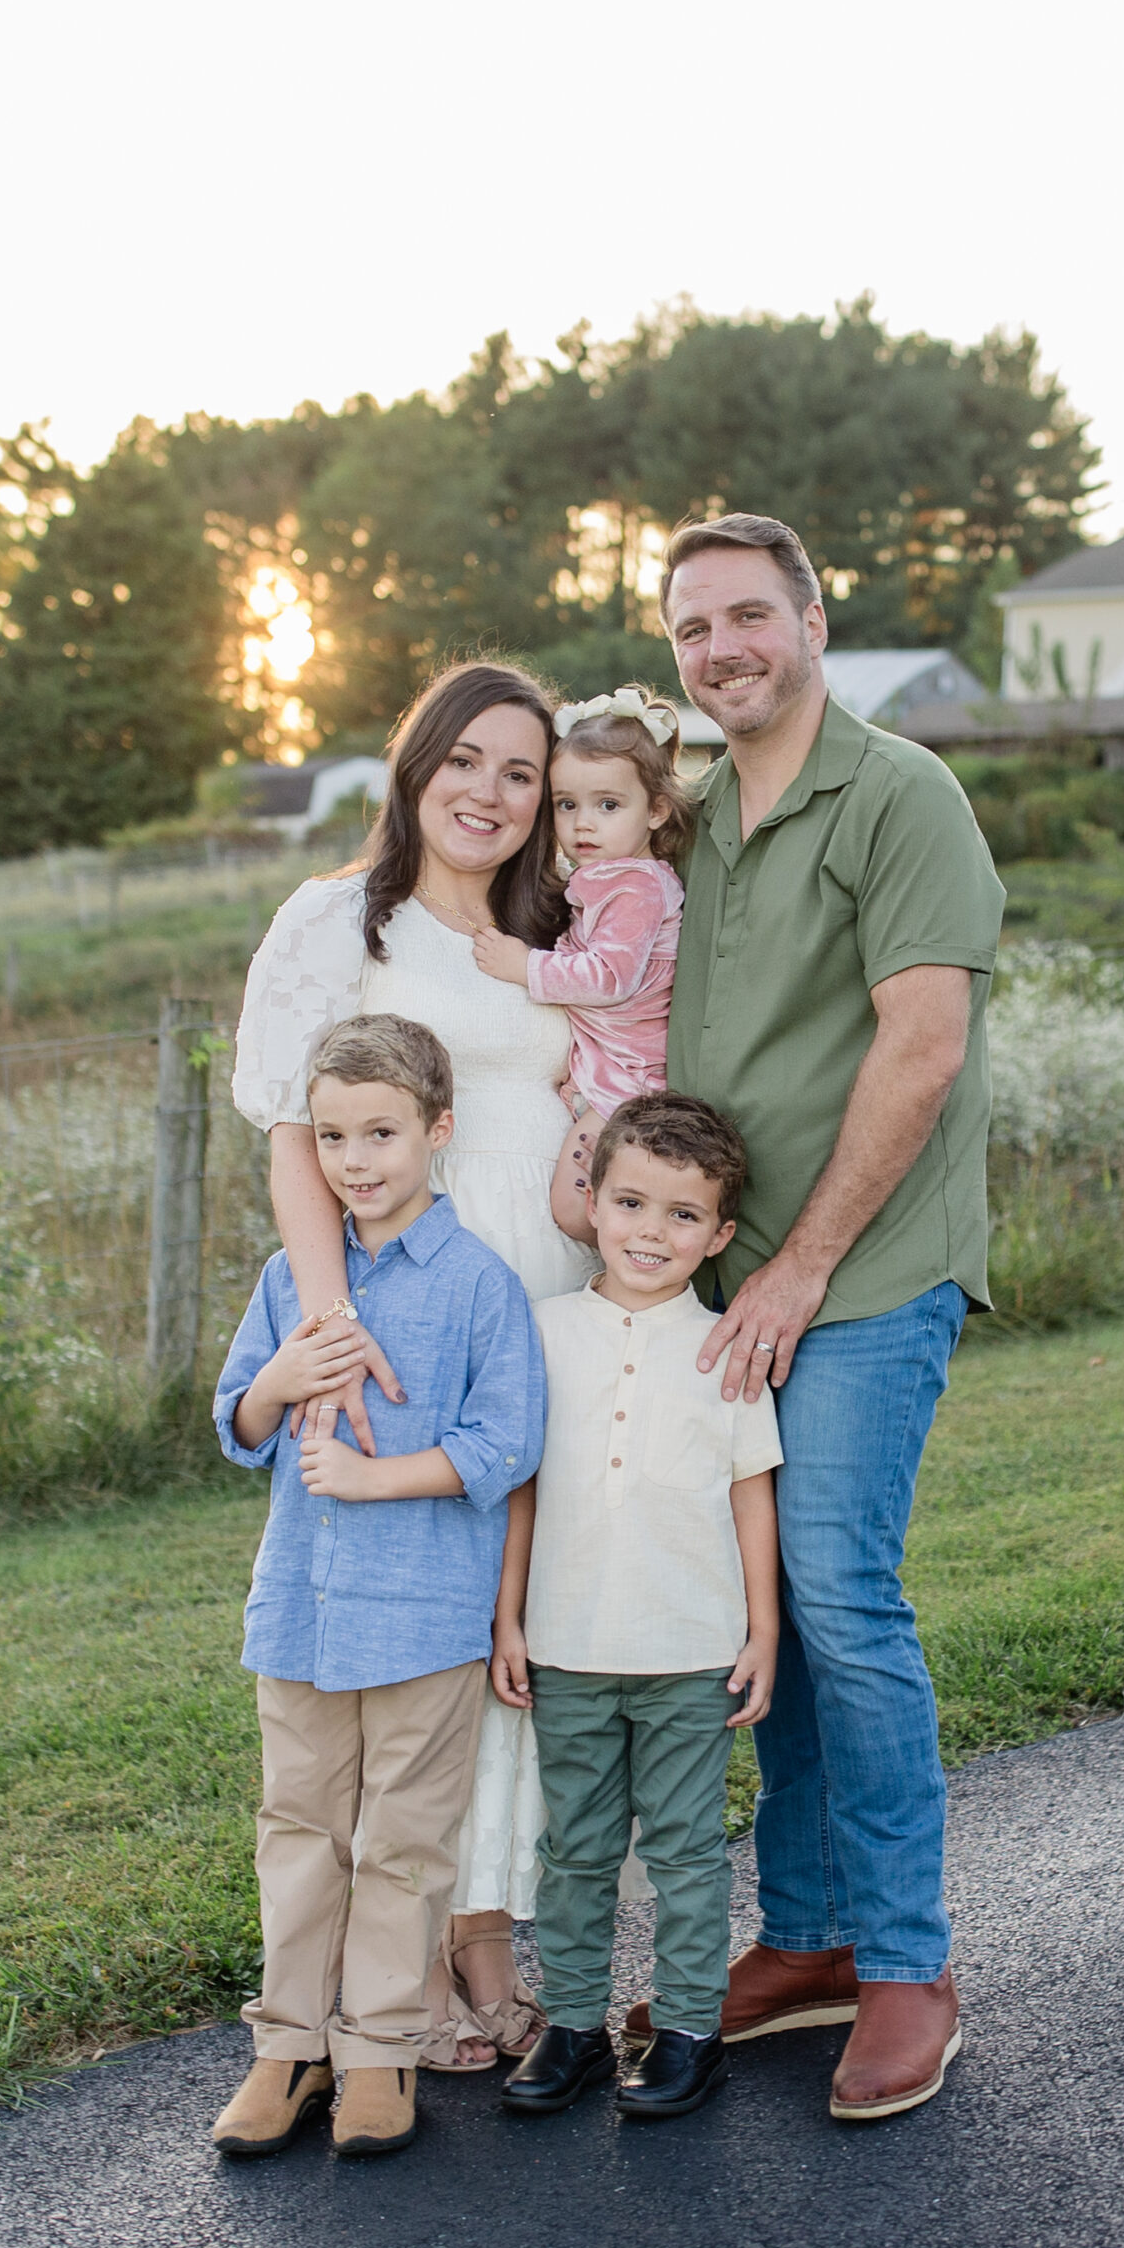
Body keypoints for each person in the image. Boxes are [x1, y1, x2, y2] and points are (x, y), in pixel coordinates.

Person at [629, 511, 1006, 2123]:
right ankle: (810, 1942)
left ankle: (908, 1964)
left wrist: (797, 1266)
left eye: (743, 617)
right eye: (689, 631)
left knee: (839, 1598)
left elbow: (917, 1049)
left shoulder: (900, 794)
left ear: (808, 619)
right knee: (752, 1625)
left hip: (862, 1275)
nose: (719, 650)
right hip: (727, 1290)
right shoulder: (695, 818)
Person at [231, 662, 594, 2071]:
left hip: (542, 1294)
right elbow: (289, 1131)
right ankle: (420, 1965)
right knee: (422, 1625)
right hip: (402, 1301)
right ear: (415, 764)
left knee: (523, 1627)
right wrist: (329, 1333)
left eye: (521, 772)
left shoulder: (545, 927)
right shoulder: (338, 922)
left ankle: (492, 1935)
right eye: (467, 761)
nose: (489, 794)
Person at [209, 1015, 544, 2159]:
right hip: (299, 1611)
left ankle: (379, 2052)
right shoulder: (290, 1280)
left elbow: (506, 1444)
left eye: (383, 1133)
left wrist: (373, 1474)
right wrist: (282, 1382)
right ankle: (288, 2046)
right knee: (299, 1825)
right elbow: (237, 1423)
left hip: (424, 1619)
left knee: (402, 1842)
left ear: (436, 1132)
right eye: (336, 1136)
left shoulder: (477, 1286)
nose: (356, 1159)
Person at [493, 1093, 782, 2123]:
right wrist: (510, 1617)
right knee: (574, 1847)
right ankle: (573, 2024)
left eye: (681, 1215)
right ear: (591, 1201)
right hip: (568, 1645)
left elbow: (753, 1491)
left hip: (689, 1648)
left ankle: (691, 2028)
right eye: (630, 1203)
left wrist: (763, 1628)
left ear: (719, 1234)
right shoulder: (544, 1331)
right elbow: (521, 1484)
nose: (651, 1233)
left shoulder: (728, 1347)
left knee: (686, 1849)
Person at [471, 685, 692, 1238]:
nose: (583, 824)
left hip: (629, 1084)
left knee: (577, 1210)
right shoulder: (608, 878)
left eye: (608, 805)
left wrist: (526, 967)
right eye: (567, 805)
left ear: (657, 809)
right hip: (611, 1073)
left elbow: (611, 977)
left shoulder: (636, 889)